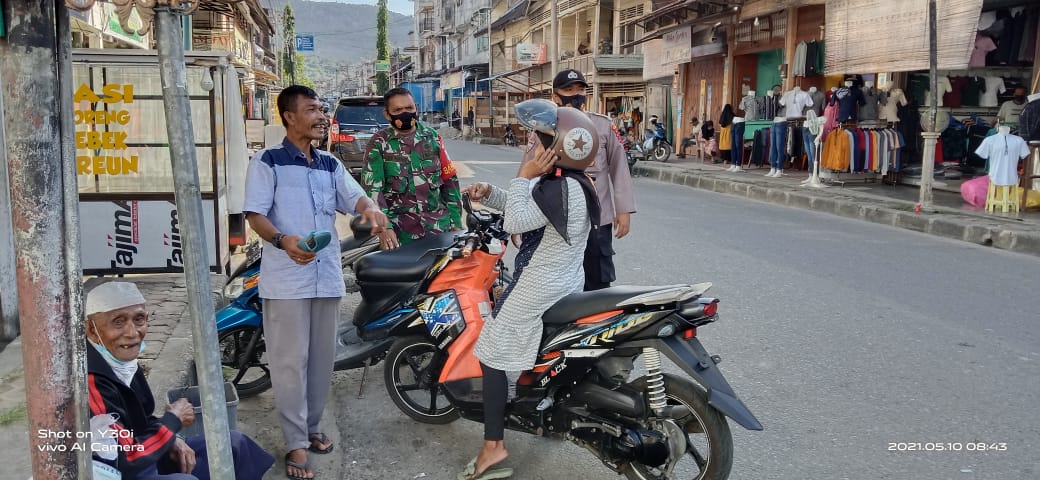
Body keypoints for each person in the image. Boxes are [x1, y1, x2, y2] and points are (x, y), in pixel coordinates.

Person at [243, 85, 389, 480]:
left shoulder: (329, 163)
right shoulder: (267, 162)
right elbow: (255, 215)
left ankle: (311, 427)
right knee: (291, 364)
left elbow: (356, 198)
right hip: (287, 279)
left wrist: (371, 210)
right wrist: (282, 240)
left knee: (322, 362)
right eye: (312, 109)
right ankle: (294, 443)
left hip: (325, 277)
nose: (322, 116)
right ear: (289, 117)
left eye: (323, 109)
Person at [460, 100, 600, 480]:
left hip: (540, 282)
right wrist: (490, 193)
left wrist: (522, 175)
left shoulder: (562, 186)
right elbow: (528, 211)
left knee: (490, 352)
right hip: (563, 280)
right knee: (535, 350)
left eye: (540, 139)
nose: (533, 145)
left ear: (563, 146)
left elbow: (518, 220)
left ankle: (493, 447)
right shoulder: (566, 182)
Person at [84, 280, 275, 480]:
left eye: (139, 319)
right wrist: (171, 423)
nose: (132, 333)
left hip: (147, 455)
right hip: (122, 472)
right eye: (118, 322)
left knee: (235, 444)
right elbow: (125, 458)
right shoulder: (92, 383)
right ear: (91, 330)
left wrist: (171, 438)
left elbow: (141, 418)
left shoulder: (122, 362)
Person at [524, 68, 635, 291]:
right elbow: (527, 173)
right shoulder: (543, 129)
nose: (576, 94)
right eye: (568, 89)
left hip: (597, 218)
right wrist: (522, 219)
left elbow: (619, 167)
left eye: (580, 89)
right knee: (555, 286)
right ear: (555, 96)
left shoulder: (602, 125)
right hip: (554, 219)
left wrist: (623, 210)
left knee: (598, 282)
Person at [362, 87, 464, 250]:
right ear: (387, 114)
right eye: (398, 110)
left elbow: (450, 182)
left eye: (409, 108)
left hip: (438, 228)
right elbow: (373, 191)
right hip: (400, 234)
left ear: (416, 108)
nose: (405, 113)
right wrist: (385, 228)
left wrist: (456, 223)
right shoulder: (379, 143)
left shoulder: (433, 138)